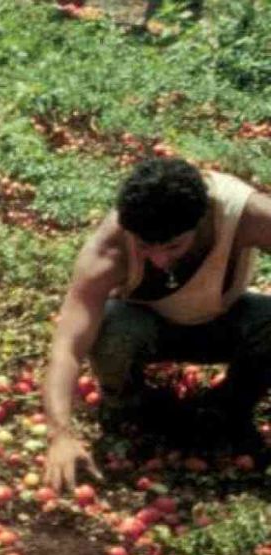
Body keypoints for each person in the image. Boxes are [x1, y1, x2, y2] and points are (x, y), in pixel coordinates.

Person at [42, 157, 271, 491]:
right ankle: (129, 408)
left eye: (174, 246)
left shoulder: (246, 214)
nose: (160, 259)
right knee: (111, 327)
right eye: (145, 246)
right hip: (145, 328)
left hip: (225, 320)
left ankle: (229, 409)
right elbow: (67, 347)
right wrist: (60, 434)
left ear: (201, 220)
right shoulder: (108, 250)